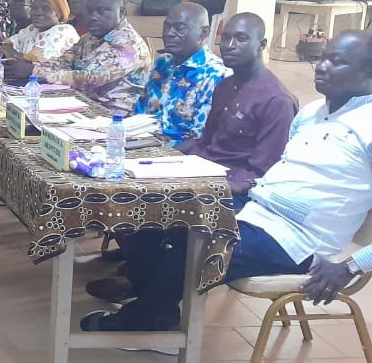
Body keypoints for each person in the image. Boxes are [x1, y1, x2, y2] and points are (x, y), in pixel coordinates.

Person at [82, 29, 372, 334]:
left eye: (337, 61)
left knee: (199, 245)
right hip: (255, 213)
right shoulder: (313, 113)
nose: (322, 66)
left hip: (298, 241)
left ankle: (139, 320)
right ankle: (157, 309)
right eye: (323, 58)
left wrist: (352, 266)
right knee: (153, 216)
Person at [185, 12, 297, 199]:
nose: (229, 45)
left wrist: (208, 187)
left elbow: (262, 171)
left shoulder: (277, 101)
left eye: (241, 39)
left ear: (262, 44)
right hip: (201, 171)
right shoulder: (225, 86)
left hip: (233, 191)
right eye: (226, 38)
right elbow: (205, 143)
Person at [36, 0, 152, 113]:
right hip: (81, 107)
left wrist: (38, 72)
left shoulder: (129, 46)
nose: (93, 17)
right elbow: (64, 60)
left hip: (114, 117)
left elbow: (87, 78)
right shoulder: (90, 37)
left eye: (102, 11)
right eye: (89, 11)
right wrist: (39, 67)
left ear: (121, 12)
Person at [133, 2, 229, 146]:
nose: (169, 33)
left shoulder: (214, 74)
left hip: (178, 153)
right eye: (167, 26)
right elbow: (139, 113)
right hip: (140, 143)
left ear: (204, 33)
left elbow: (199, 139)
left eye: (180, 28)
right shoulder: (162, 63)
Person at [2, 0, 80, 79]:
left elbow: (35, 60)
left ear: (58, 13)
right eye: (34, 8)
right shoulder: (32, 29)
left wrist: (19, 59)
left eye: (46, 8)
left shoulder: (64, 31)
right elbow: (7, 45)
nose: (37, 13)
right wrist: (16, 57)